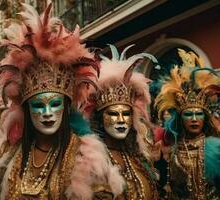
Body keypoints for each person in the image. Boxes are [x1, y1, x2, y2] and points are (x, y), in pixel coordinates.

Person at [0, 3, 125, 200]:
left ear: (66, 107)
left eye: (55, 104)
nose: (47, 113)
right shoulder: (9, 154)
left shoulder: (88, 158)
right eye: (39, 105)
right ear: (27, 109)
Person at [90, 44, 159, 199]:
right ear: (100, 118)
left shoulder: (137, 157)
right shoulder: (92, 161)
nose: (121, 120)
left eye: (126, 114)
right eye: (113, 114)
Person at [154, 49, 220, 199]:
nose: (194, 118)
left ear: (205, 117)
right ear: (180, 119)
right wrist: (157, 164)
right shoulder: (173, 149)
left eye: (199, 114)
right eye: (189, 114)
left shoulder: (216, 148)